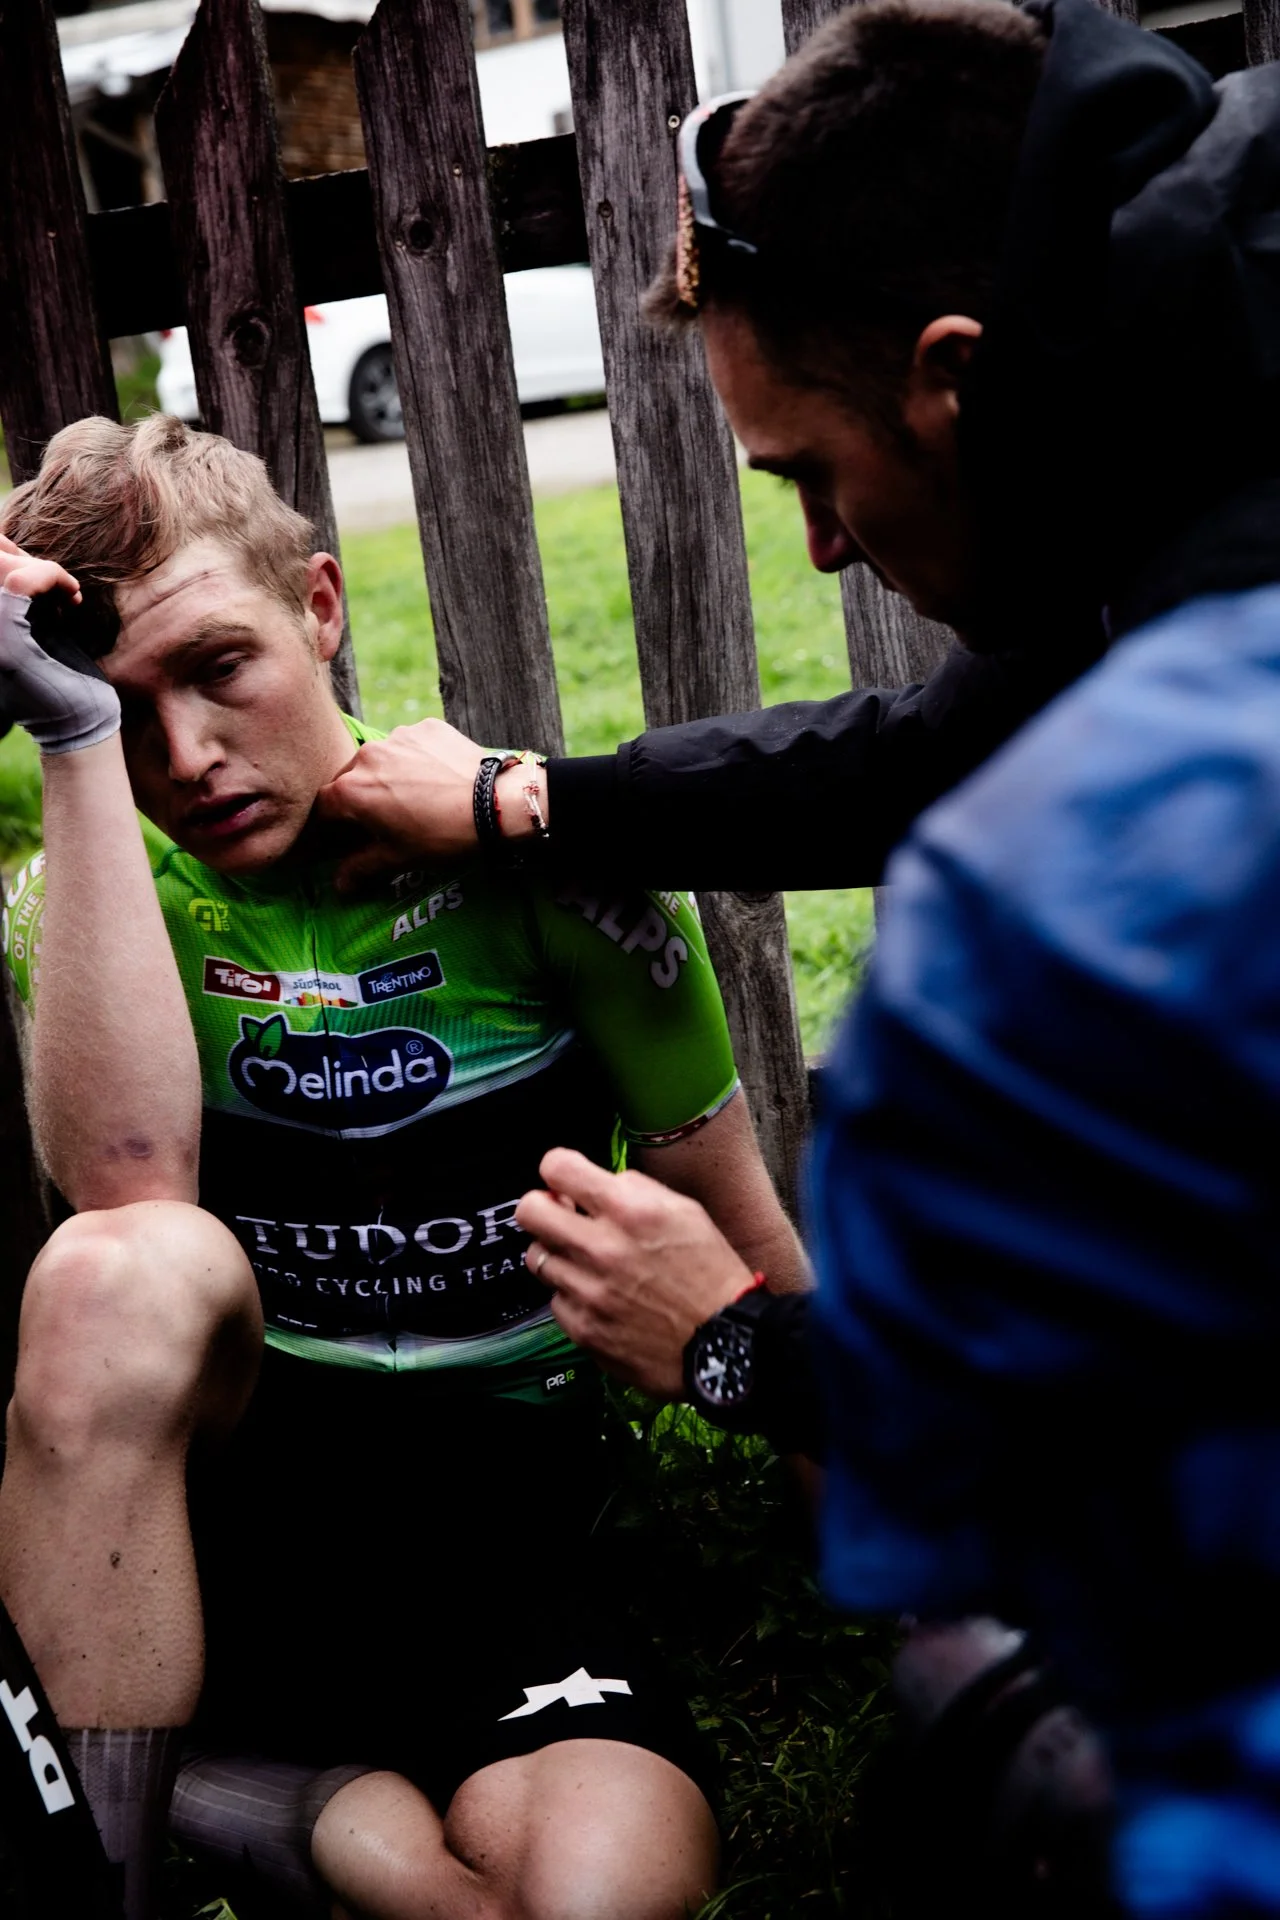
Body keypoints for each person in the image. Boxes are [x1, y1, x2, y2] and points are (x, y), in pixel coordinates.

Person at [500, 3, 1280, 1915]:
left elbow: (1082, 1441)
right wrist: (542, 801)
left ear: (954, 376)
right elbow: (946, 740)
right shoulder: (1203, 410)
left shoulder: (1114, 874)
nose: (831, 550)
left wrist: (748, 1344)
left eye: (807, 475)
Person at [0, 412, 808, 1920]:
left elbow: (744, 1242)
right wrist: (66, 742)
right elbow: (125, 1193)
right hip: (210, 1539)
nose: (186, 757)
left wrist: (913, 1578)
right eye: (124, 708)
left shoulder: (542, 860)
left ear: (318, 607)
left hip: (500, 1543)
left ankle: (281, 1811)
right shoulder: (99, 882)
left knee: (592, 1902)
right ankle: (99, 1884)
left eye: (219, 667)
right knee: (117, 1266)